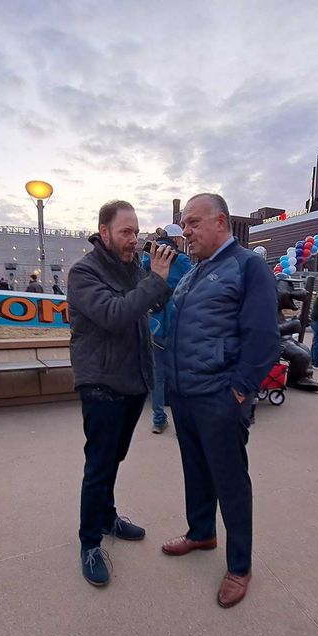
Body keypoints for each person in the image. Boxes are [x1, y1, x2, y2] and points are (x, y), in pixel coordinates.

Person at [161, 193, 279, 609]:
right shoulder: (196, 270)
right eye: (184, 224)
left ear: (221, 222)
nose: (186, 231)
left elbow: (265, 337)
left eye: (193, 222)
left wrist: (239, 390)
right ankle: (201, 532)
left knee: (230, 482)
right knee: (195, 470)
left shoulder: (249, 266)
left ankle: (240, 565)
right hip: (185, 393)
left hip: (219, 396)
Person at [67, 200, 176, 588]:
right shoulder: (84, 272)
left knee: (114, 459)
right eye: (126, 232)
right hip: (101, 384)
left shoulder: (132, 267)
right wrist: (153, 281)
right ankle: (89, 542)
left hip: (132, 381)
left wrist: (162, 281)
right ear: (105, 231)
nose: (134, 239)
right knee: (98, 466)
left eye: (137, 231)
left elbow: (150, 305)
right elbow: (114, 314)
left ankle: (107, 516)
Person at [141, 223, 192, 434]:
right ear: (177, 239)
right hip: (177, 323)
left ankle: (158, 419)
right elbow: (193, 284)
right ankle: (183, 424)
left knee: (158, 375)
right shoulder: (181, 260)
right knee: (182, 374)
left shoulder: (147, 257)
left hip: (153, 321)